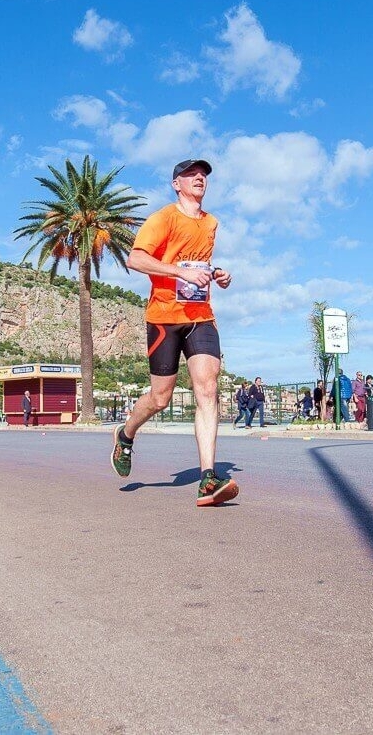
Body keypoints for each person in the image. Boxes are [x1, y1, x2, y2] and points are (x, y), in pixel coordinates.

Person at [109, 158, 238, 507]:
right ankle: (126, 433)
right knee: (160, 398)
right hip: (164, 317)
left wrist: (218, 275)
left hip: (201, 316)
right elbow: (136, 259)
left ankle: (208, 478)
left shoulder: (211, 223)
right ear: (176, 184)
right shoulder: (163, 218)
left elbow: (198, 264)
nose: (199, 178)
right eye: (191, 174)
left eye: (204, 175)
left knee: (207, 389)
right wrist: (179, 273)